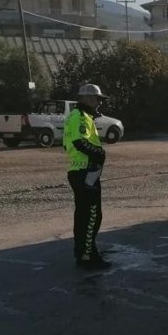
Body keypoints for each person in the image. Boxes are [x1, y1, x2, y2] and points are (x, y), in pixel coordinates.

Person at [63, 83, 111, 270]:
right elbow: (79, 142)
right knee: (92, 216)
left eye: (98, 99)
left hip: (81, 171)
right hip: (85, 172)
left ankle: (83, 251)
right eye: (95, 99)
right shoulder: (80, 117)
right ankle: (89, 256)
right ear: (85, 99)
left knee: (83, 215)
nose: (98, 103)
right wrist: (99, 154)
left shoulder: (77, 116)